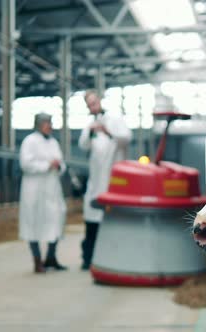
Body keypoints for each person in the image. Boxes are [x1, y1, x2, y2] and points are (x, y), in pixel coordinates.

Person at [79, 90, 131, 270]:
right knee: (91, 221)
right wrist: (91, 132)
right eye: (89, 104)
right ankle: (88, 259)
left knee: (112, 221)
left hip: (112, 179)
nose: (92, 106)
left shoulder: (114, 119)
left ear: (100, 101)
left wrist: (107, 131)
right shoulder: (90, 124)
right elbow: (83, 145)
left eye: (94, 102)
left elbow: (126, 138)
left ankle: (114, 257)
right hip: (96, 180)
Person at [19, 113, 68, 273]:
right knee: (33, 223)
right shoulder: (29, 141)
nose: (50, 126)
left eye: (50, 123)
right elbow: (25, 163)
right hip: (34, 189)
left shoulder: (53, 142)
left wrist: (58, 166)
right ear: (39, 124)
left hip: (52, 188)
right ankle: (37, 260)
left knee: (56, 219)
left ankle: (51, 257)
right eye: (47, 123)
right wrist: (47, 165)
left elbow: (61, 162)